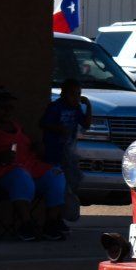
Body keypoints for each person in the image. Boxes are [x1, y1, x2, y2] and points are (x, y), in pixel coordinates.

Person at [0, 87, 68, 242]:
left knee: (56, 174)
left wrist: (37, 147)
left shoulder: (16, 126)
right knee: (20, 176)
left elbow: (31, 147)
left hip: (28, 169)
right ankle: (26, 224)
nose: (8, 111)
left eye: (11, 107)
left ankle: (51, 222)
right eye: (3, 108)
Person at [38, 80, 90, 223]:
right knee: (58, 185)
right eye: (73, 94)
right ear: (64, 94)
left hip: (68, 153)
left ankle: (61, 216)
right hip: (54, 152)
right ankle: (54, 218)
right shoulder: (55, 107)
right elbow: (43, 123)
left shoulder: (76, 108)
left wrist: (88, 105)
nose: (76, 97)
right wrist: (57, 129)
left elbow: (86, 124)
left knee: (70, 184)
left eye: (79, 94)